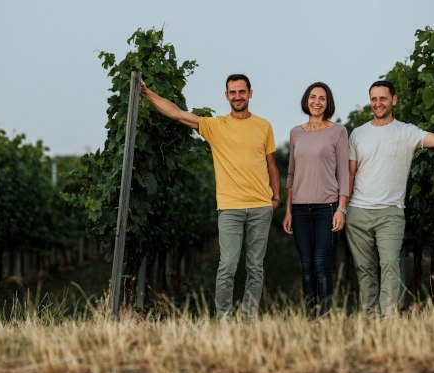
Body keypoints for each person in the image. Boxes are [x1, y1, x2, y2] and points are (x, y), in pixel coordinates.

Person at [140, 74, 281, 322]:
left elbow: (271, 165)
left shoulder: (264, 126)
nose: (237, 96)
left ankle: (249, 320)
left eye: (241, 91)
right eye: (232, 92)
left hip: (260, 206)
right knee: (227, 266)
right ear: (226, 96)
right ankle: (223, 320)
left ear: (250, 93)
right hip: (230, 207)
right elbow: (177, 114)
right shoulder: (216, 126)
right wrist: (147, 93)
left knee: (255, 268)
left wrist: (276, 199)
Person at [347, 80, 434, 316]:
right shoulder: (358, 134)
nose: (378, 103)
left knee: (389, 265)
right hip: (357, 212)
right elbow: (350, 173)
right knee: (364, 269)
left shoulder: (406, 132)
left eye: (383, 99)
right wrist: (343, 208)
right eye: (374, 99)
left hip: (390, 213)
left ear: (394, 100)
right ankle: (368, 319)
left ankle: (389, 320)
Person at [282, 82, 349, 317]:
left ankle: (325, 315)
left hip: (327, 207)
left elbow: (344, 173)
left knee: (321, 264)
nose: (317, 102)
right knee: (307, 266)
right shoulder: (295, 133)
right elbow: (291, 173)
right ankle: (311, 315)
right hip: (299, 209)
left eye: (322, 98)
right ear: (306, 100)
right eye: (313, 97)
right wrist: (288, 211)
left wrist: (341, 209)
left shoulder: (338, 131)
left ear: (328, 103)